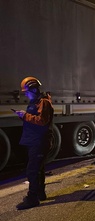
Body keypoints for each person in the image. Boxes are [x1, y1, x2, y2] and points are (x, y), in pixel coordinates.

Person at [14, 77, 54, 210]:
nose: (25, 94)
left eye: (27, 91)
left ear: (35, 89)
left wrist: (25, 116)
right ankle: (40, 194)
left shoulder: (43, 102)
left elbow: (42, 121)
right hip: (35, 140)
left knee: (32, 170)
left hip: (39, 141)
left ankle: (32, 198)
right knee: (38, 169)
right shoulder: (36, 101)